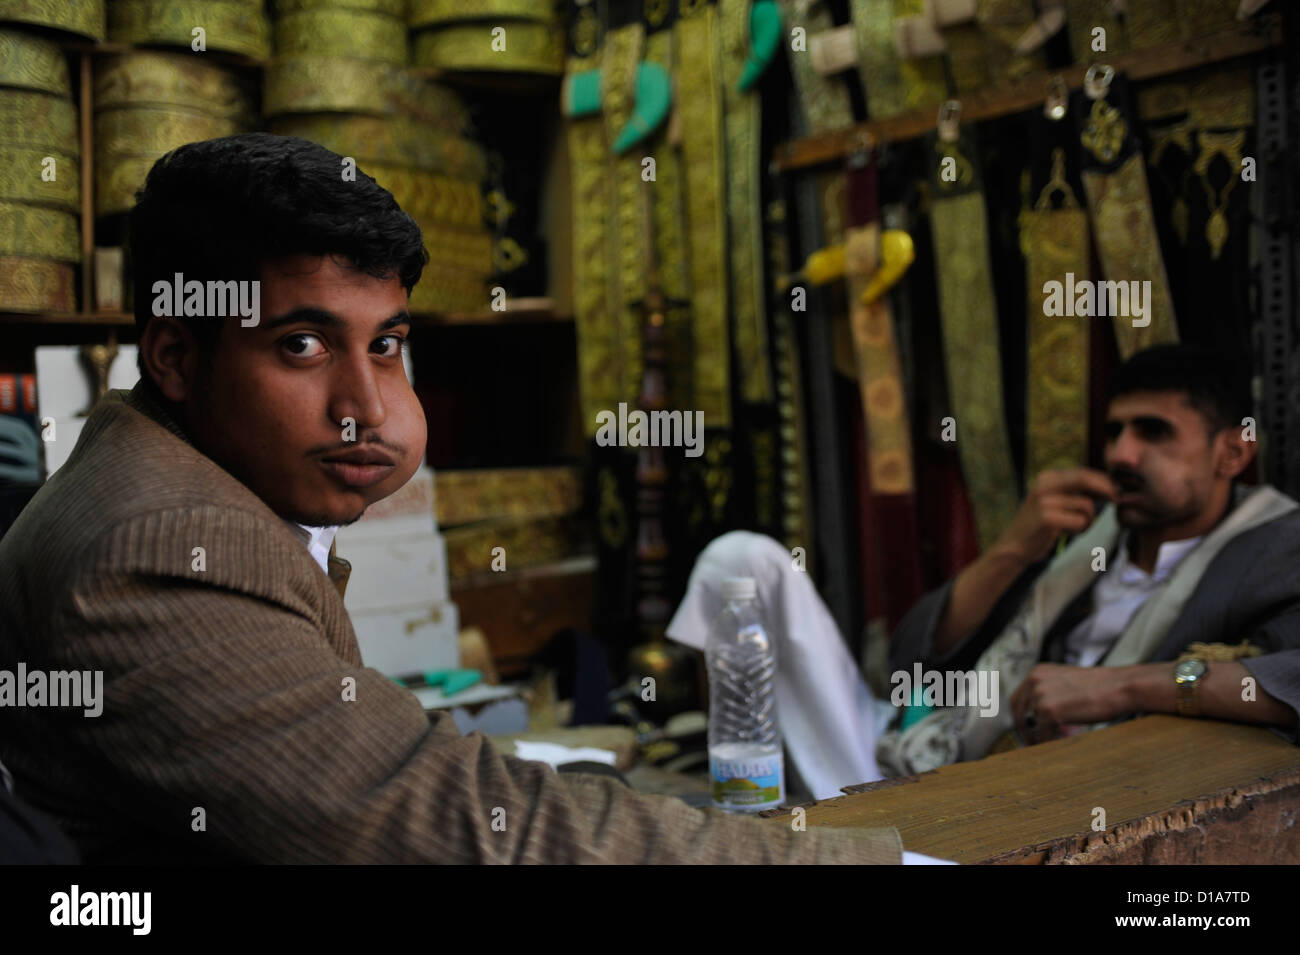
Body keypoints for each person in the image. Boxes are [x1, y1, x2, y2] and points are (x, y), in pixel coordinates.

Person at [0, 134, 902, 864]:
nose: (364, 408)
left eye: (385, 345)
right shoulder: (158, 543)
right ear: (175, 357)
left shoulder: (170, 481)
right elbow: (445, 820)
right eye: (303, 345)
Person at [669, 345, 1300, 787]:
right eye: (1114, 432)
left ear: (1232, 453)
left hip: (1056, 792)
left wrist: (1121, 686)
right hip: (920, 747)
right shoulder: (1089, 531)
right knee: (740, 560)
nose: (1121, 453)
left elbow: (1286, 679)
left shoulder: (1274, 545)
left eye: (1154, 432)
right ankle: (760, 790)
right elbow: (912, 664)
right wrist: (1014, 548)